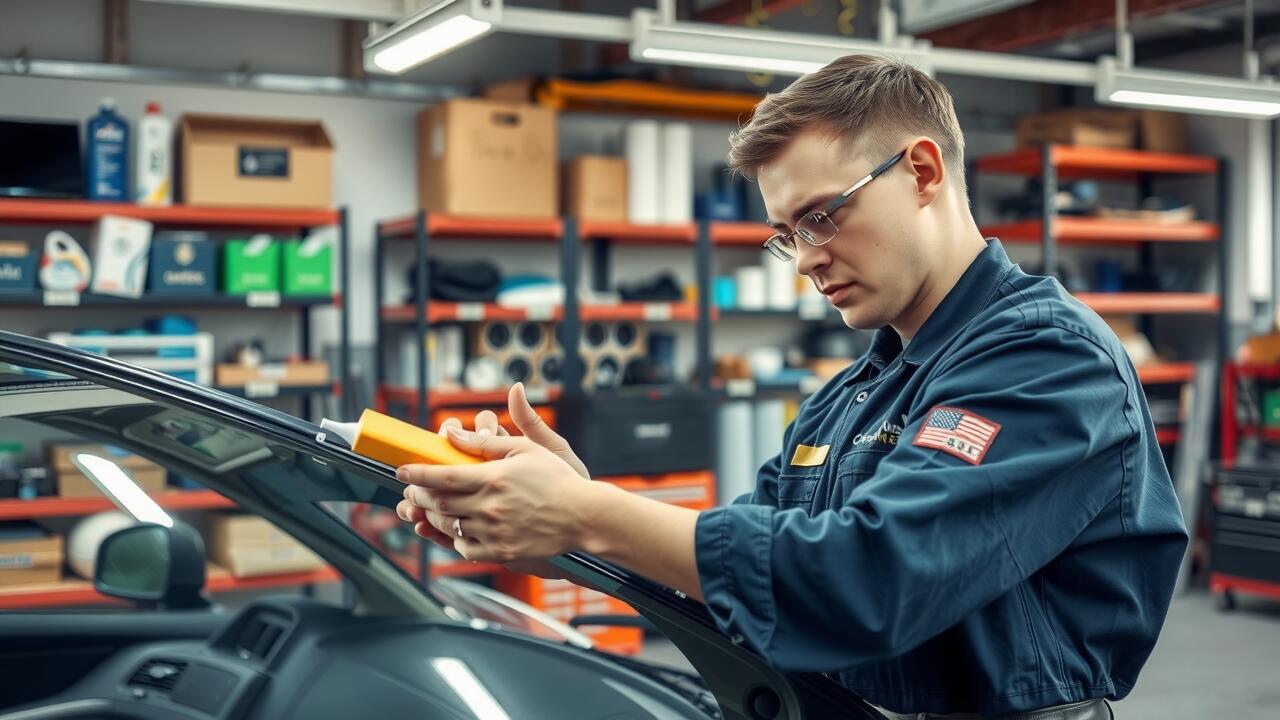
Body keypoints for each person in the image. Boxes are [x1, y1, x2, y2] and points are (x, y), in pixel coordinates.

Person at [396, 54, 1188, 719]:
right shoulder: (849, 394)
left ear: (922, 170)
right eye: (787, 235)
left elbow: (867, 581)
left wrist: (589, 515)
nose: (805, 258)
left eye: (822, 216)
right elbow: (754, 565)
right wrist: (571, 507)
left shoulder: (1048, 359)